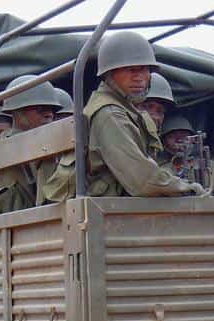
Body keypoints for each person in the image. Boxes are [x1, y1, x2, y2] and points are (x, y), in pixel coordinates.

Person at [81, 31, 203, 198]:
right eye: (130, 70)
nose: (139, 78)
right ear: (110, 73)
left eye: (144, 70)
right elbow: (144, 182)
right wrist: (187, 187)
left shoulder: (121, 108)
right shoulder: (110, 113)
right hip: (113, 210)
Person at [0, 75, 61, 216]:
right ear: (18, 110)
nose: (48, 114)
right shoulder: (7, 146)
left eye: (52, 109)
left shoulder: (44, 141)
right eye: (40, 109)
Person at [159, 115, 214, 195]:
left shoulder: (210, 167)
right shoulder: (160, 170)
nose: (179, 140)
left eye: (183, 135)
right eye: (172, 136)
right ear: (164, 142)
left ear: (193, 141)